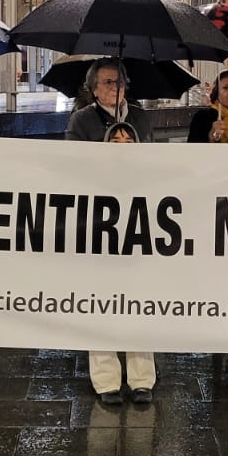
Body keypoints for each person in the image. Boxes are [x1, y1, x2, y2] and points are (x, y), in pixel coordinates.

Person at [88, 121, 157, 404]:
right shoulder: (90, 179)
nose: (122, 147)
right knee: (100, 311)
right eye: (115, 142)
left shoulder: (151, 179)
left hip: (137, 255)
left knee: (140, 312)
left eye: (128, 142)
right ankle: (106, 381)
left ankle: (142, 380)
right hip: (101, 256)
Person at [64, 58, 157, 143]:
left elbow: (152, 154)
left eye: (119, 82)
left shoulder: (141, 116)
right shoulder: (80, 120)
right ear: (94, 89)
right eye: (108, 82)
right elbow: (73, 157)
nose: (115, 87)